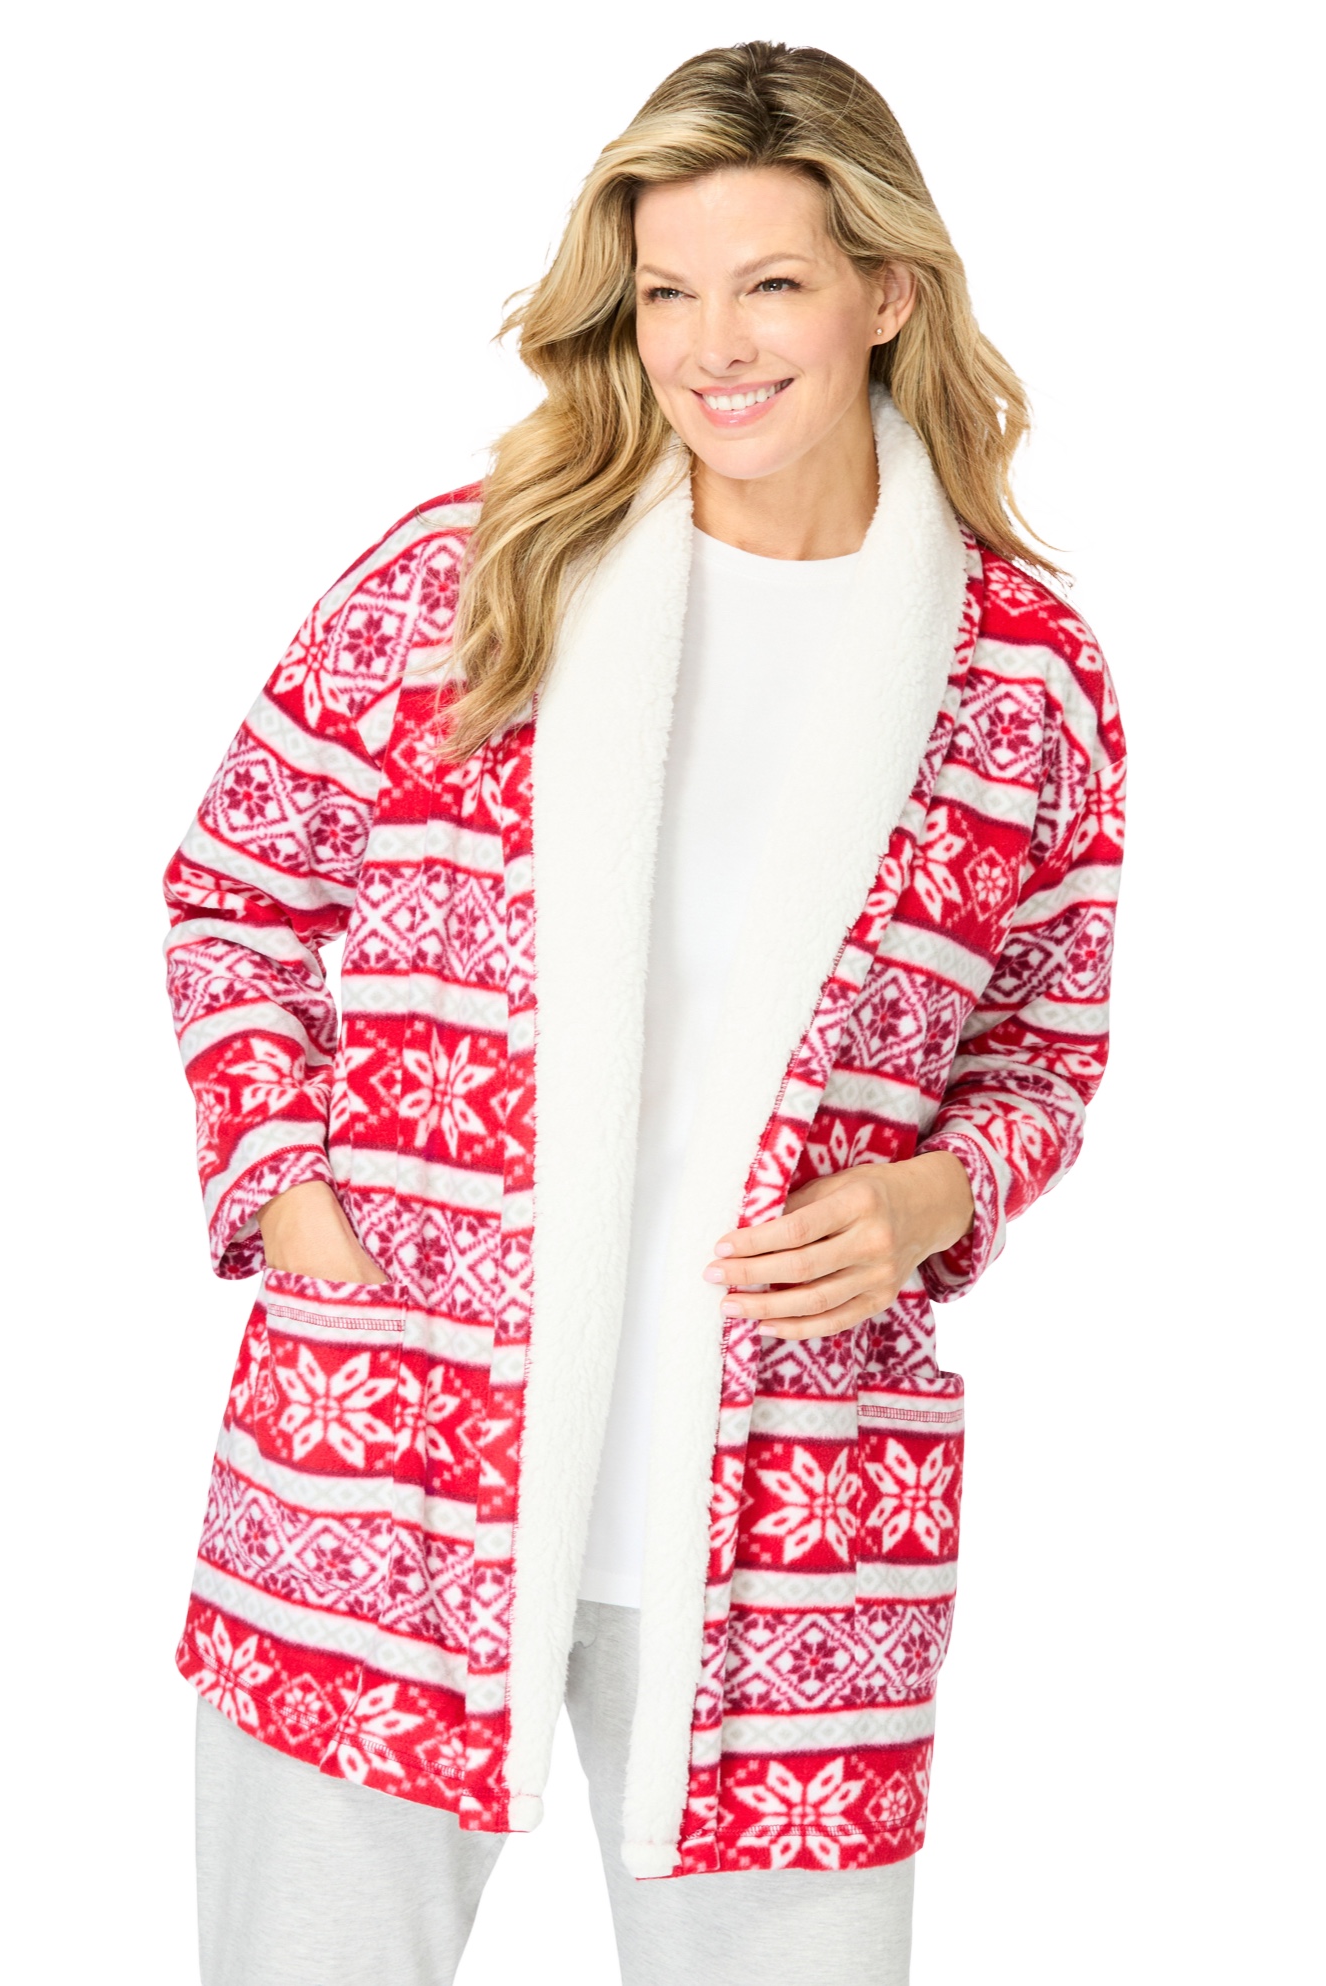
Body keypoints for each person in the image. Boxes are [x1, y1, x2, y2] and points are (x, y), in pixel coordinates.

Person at [166, 39, 1125, 1986]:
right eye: (668, 291)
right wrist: (291, 1194)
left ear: (886, 293)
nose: (712, 347)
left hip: (799, 1505)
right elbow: (234, 894)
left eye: (770, 283)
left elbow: (1044, 1041)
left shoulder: (1020, 673)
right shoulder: (471, 577)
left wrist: (933, 1199)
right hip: (392, 1453)